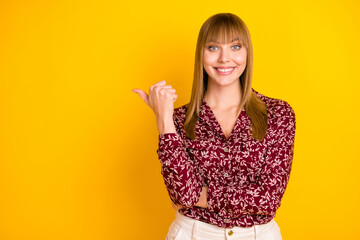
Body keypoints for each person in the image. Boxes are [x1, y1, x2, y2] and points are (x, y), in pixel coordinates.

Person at [132, 12, 296, 240]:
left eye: (235, 47)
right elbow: (181, 191)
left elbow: (269, 198)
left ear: (247, 52)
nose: (224, 58)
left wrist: (199, 196)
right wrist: (164, 119)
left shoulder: (278, 114)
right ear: (201, 53)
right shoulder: (179, 120)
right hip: (192, 234)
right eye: (213, 48)